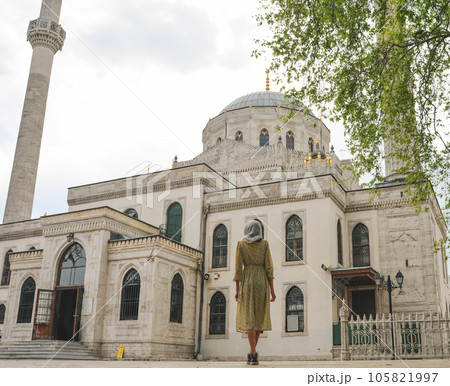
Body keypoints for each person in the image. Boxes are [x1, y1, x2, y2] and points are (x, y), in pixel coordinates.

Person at [233, 220, 276, 365]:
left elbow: (238, 269)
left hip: (247, 281)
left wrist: (237, 290)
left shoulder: (240, 245)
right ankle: (253, 352)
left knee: (249, 320)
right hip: (262, 281)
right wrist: (273, 291)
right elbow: (269, 267)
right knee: (257, 320)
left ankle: (252, 352)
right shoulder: (265, 244)